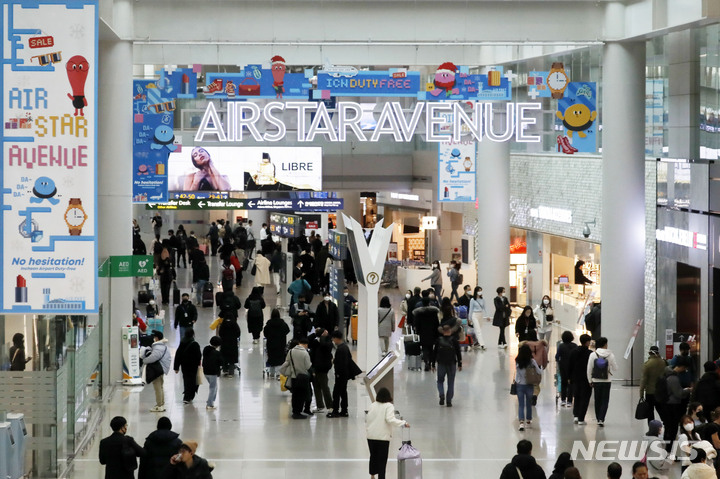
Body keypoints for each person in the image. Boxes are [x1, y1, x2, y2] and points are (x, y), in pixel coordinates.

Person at [365, 387, 409, 479]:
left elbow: (368, 419)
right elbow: (390, 419)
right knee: (382, 460)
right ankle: (382, 477)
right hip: (382, 437)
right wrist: (403, 423)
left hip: (371, 436)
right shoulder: (389, 406)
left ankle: (372, 475)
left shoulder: (372, 405)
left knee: (373, 456)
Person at [660, 355, 693, 445]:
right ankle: (670, 446)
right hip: (672, 404)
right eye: (684, 368)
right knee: (673, 426)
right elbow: (678, 393)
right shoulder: (673, 378)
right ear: (682, 367)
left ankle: (667, 443)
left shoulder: (667, 372)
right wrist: (687, 390)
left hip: (666, 403)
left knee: (668, 425)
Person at [586, 337, 618, 427]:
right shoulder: (610, 355)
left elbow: (589, 369)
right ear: (605, 344)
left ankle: (597, 418)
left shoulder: (593, 355)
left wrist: (589, 380)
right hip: (607, 380)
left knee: (597, 400)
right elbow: (616, 368)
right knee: (605, 400)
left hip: (596, 380)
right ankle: (601, 419)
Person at [433, 324, 462, 407]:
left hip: (441, 363)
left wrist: (432, 364)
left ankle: (441, 395)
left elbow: (434, 352)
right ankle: (449, 401)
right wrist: (459, 363)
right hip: (451, 363)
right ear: (450, 331)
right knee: (451, 382)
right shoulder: (454, 340)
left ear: (443, 332)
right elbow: (458, 352)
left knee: (440, 381)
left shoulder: (439, 340)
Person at [283, 337, 312, 419]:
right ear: (305, 344)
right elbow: (308, 366)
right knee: (301, 396)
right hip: (302, 377)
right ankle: (298, 412)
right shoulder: (305, 353)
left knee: (295, 395)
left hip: (293, 377)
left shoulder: (291, 351)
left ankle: (294, 411)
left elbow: (287, 362)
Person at [142, 331, 171, 412]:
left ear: (157, 338)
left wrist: (145, 360)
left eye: (154, 337)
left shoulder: (158, 347)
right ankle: (161, 404)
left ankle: (159, 405)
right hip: (161, 369)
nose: (153, 339)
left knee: (157, 387)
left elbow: (153, 357)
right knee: (160, 387)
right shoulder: (163, 346)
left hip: (158, 370)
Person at [328, 330, 355, 418]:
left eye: (333, 338)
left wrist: (338, 373)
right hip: (345, 374)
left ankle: (335, 410)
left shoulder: (341, 349)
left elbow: (341, 363)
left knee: (336, 393)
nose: (333, 340)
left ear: (336, 338)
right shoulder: (345, 347)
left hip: (341, 374)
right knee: (343, 392)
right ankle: (344, 410)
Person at [515, 343, 542, 431]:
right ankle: (529, 420)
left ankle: (521, 422)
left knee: (521, 404)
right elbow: (539, 371)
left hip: (520, 385)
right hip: (529, 385)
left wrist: (516, 381)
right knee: (528, 404)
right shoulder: (532, 361)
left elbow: (517, 374)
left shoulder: (517, 361)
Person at [568, 334, 593, 425]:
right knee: (585, 398)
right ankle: (581, 418)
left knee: (577, 396)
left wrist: (569, 377)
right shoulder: (590, 353)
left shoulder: (573, 352)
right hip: (586, 379)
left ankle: (576, 415)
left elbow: (569, 365)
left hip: (575, 378)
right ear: (587, 342)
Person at [308, 328, 334, 414]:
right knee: (316, 386)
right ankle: (320, 405)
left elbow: (324, 345)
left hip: (323, 368)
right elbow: (308, 341)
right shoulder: (316, 342)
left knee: (324, 387)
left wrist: (323, 336)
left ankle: (330, 406)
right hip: (315, 367)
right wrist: (315, 334)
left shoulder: (328, 342)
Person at [640, 345, 667, 423]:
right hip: (661, 391)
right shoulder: (664, 363)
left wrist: (641, 393)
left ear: (649, 353)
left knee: (650, 411)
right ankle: (666, 423)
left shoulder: (647, 364)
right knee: (662, 409)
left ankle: (652, 427)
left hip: (650, 392)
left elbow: (643, 380)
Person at [174, 328, 202, 404]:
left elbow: (178, 355)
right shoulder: (195, 344)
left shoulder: (182, 343)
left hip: (184, 366)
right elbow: (199, 356)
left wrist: (176, 367)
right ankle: (190, 396)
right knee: (193, 380)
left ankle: (186, 396)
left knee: (186, 380)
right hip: (193, 366)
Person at [413, 297, 440, 371]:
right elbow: (436, 323)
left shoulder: (419, 313)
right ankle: (430, 362)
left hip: (423, 332)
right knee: (431, 348)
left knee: (424, 348)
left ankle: (426, 362)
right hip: (432, 332)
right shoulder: (433, 312)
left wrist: (417, 331)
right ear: (429, 303)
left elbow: (417, 323)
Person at [263, 309, 290, 378]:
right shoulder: (283, 324)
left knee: (272, 357)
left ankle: (271, 373)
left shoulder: (268, 324)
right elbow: (287, 330)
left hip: (271, 343)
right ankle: (279, 373)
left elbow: (265, 333)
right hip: (281, 343)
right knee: (280, 358)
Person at [555, 331, 577, 408]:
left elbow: (557, 357)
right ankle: (570, 401)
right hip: (573, 366)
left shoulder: (561, 346)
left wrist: (558, 361)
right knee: (571, 383)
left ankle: (563, 400)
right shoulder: (575, 346)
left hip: (563, 366)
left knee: (564, 382)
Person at [201, 337, 222, 410]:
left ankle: (211, 401)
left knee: (214, 387)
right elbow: (221, 362)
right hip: (213, 372)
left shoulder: (206, 349)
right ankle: (209, 404)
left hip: (206, 371)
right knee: (213, 388)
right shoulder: (217, 353)